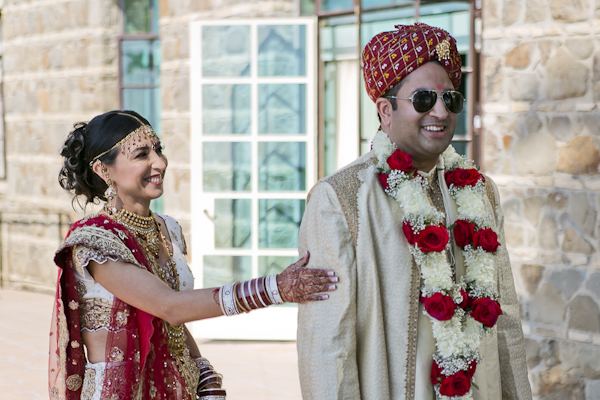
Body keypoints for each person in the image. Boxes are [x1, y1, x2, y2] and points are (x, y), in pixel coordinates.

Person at [296, 23, 532, 400]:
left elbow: (504, 319)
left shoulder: (480, 191)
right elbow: (327, 345)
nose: (440, 111)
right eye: (423, 99)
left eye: (451, 100)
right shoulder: (340, 199)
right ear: (385, 110)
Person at [50, 110, 338, 400]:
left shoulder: (168, 228)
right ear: (103, 170)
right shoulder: (96, 243)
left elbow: (173, 322)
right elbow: (170, 306)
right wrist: (275, 289)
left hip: (176, 387)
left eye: (158, 150)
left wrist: (203, 371)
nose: (159, 163)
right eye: (141, 155)